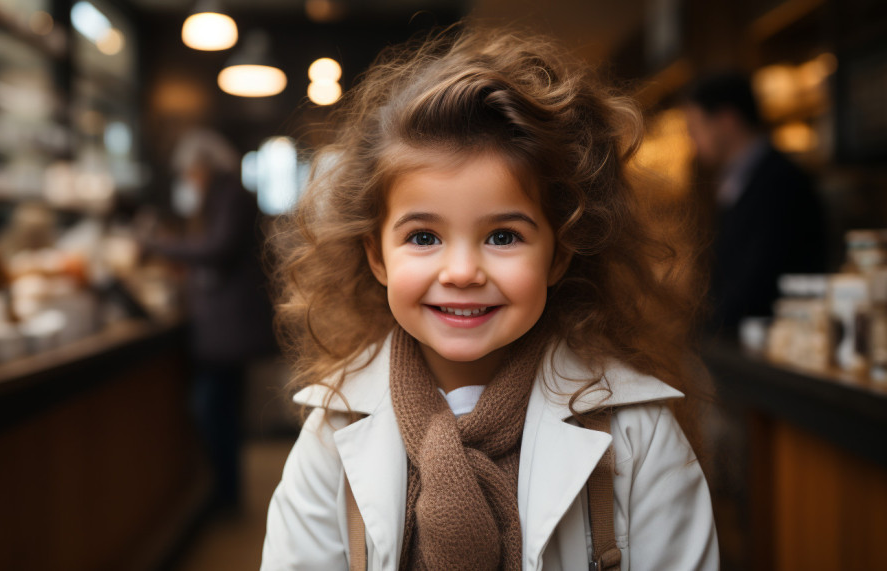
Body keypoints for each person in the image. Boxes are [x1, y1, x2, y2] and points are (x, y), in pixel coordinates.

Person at [262, 25, 718, 570]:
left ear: (559, 253)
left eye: (503, 236)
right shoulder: (332, 434)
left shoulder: (638, 435)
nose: (460, 272)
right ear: (377, 256)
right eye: (423, 237)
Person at [143, 129, 275, 514]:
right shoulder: (224, 194)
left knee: (210, 407)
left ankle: (224, 495)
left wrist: (159, 246)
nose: (188, 179)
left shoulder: (230, 194)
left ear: (203, 166)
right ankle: (225, 492)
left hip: (227, 327)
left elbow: (217, 249)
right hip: (225, 324)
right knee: (222, 408)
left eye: (189, 171)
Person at [684, 72, 827, 333]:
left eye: (695, 128)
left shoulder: (780, 181)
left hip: (782, 342)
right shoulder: (740, 178)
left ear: (727, 121)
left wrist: (704, 327)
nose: (692, 141)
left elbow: (757, 279)